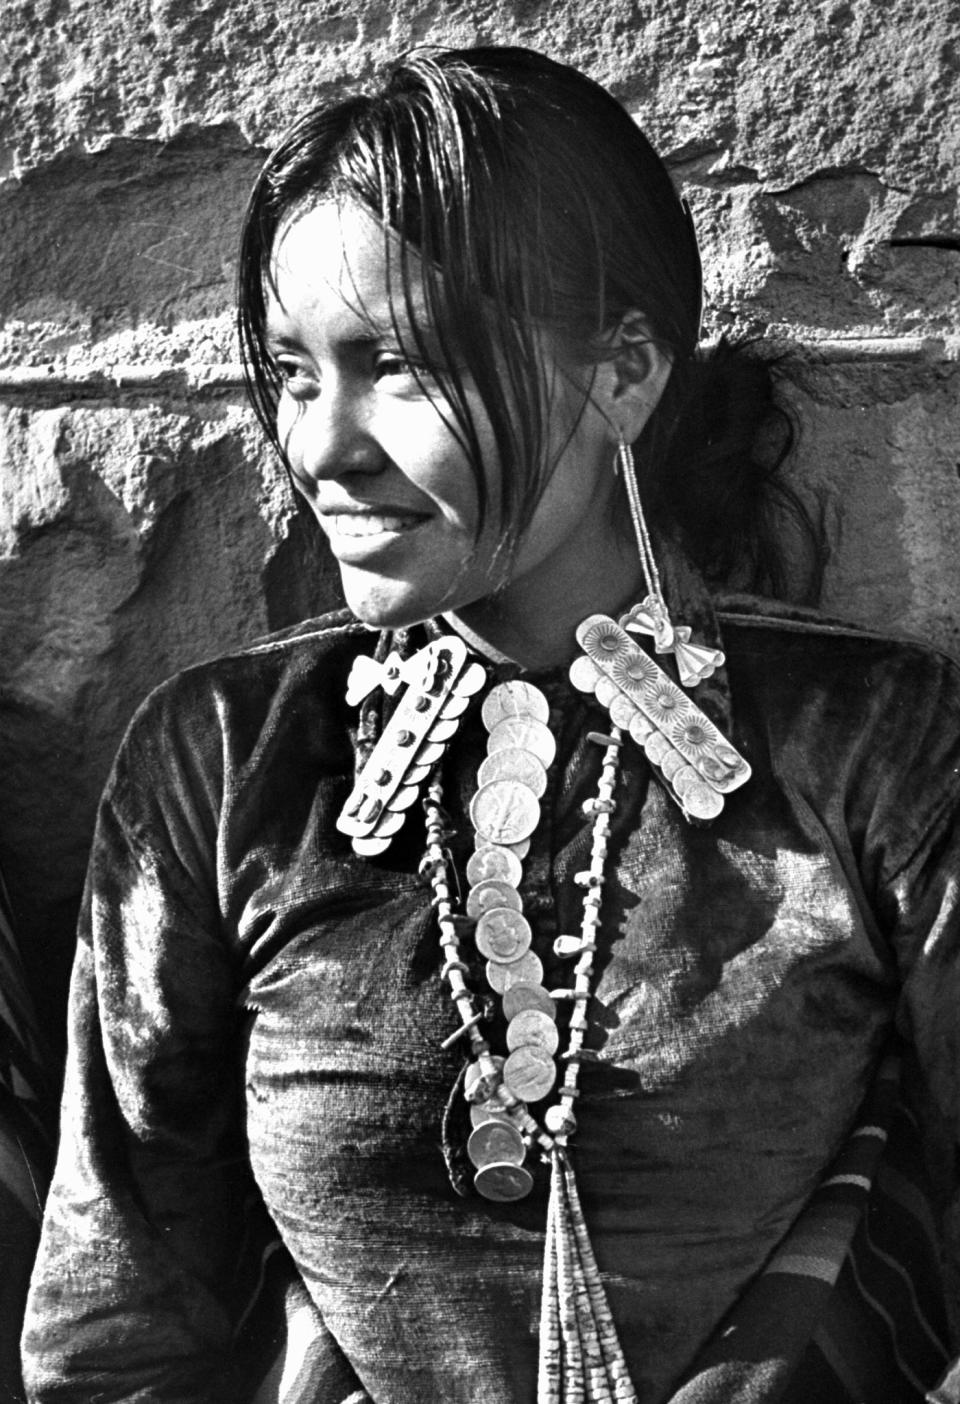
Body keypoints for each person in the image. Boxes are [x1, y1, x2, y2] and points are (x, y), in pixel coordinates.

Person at [21, 45, 960, 1404]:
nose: (321, 448)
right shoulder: (223, 761)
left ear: (622, 372)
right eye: (294, 374)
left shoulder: (878, 743)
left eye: (396, 367)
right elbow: (117, 1339)